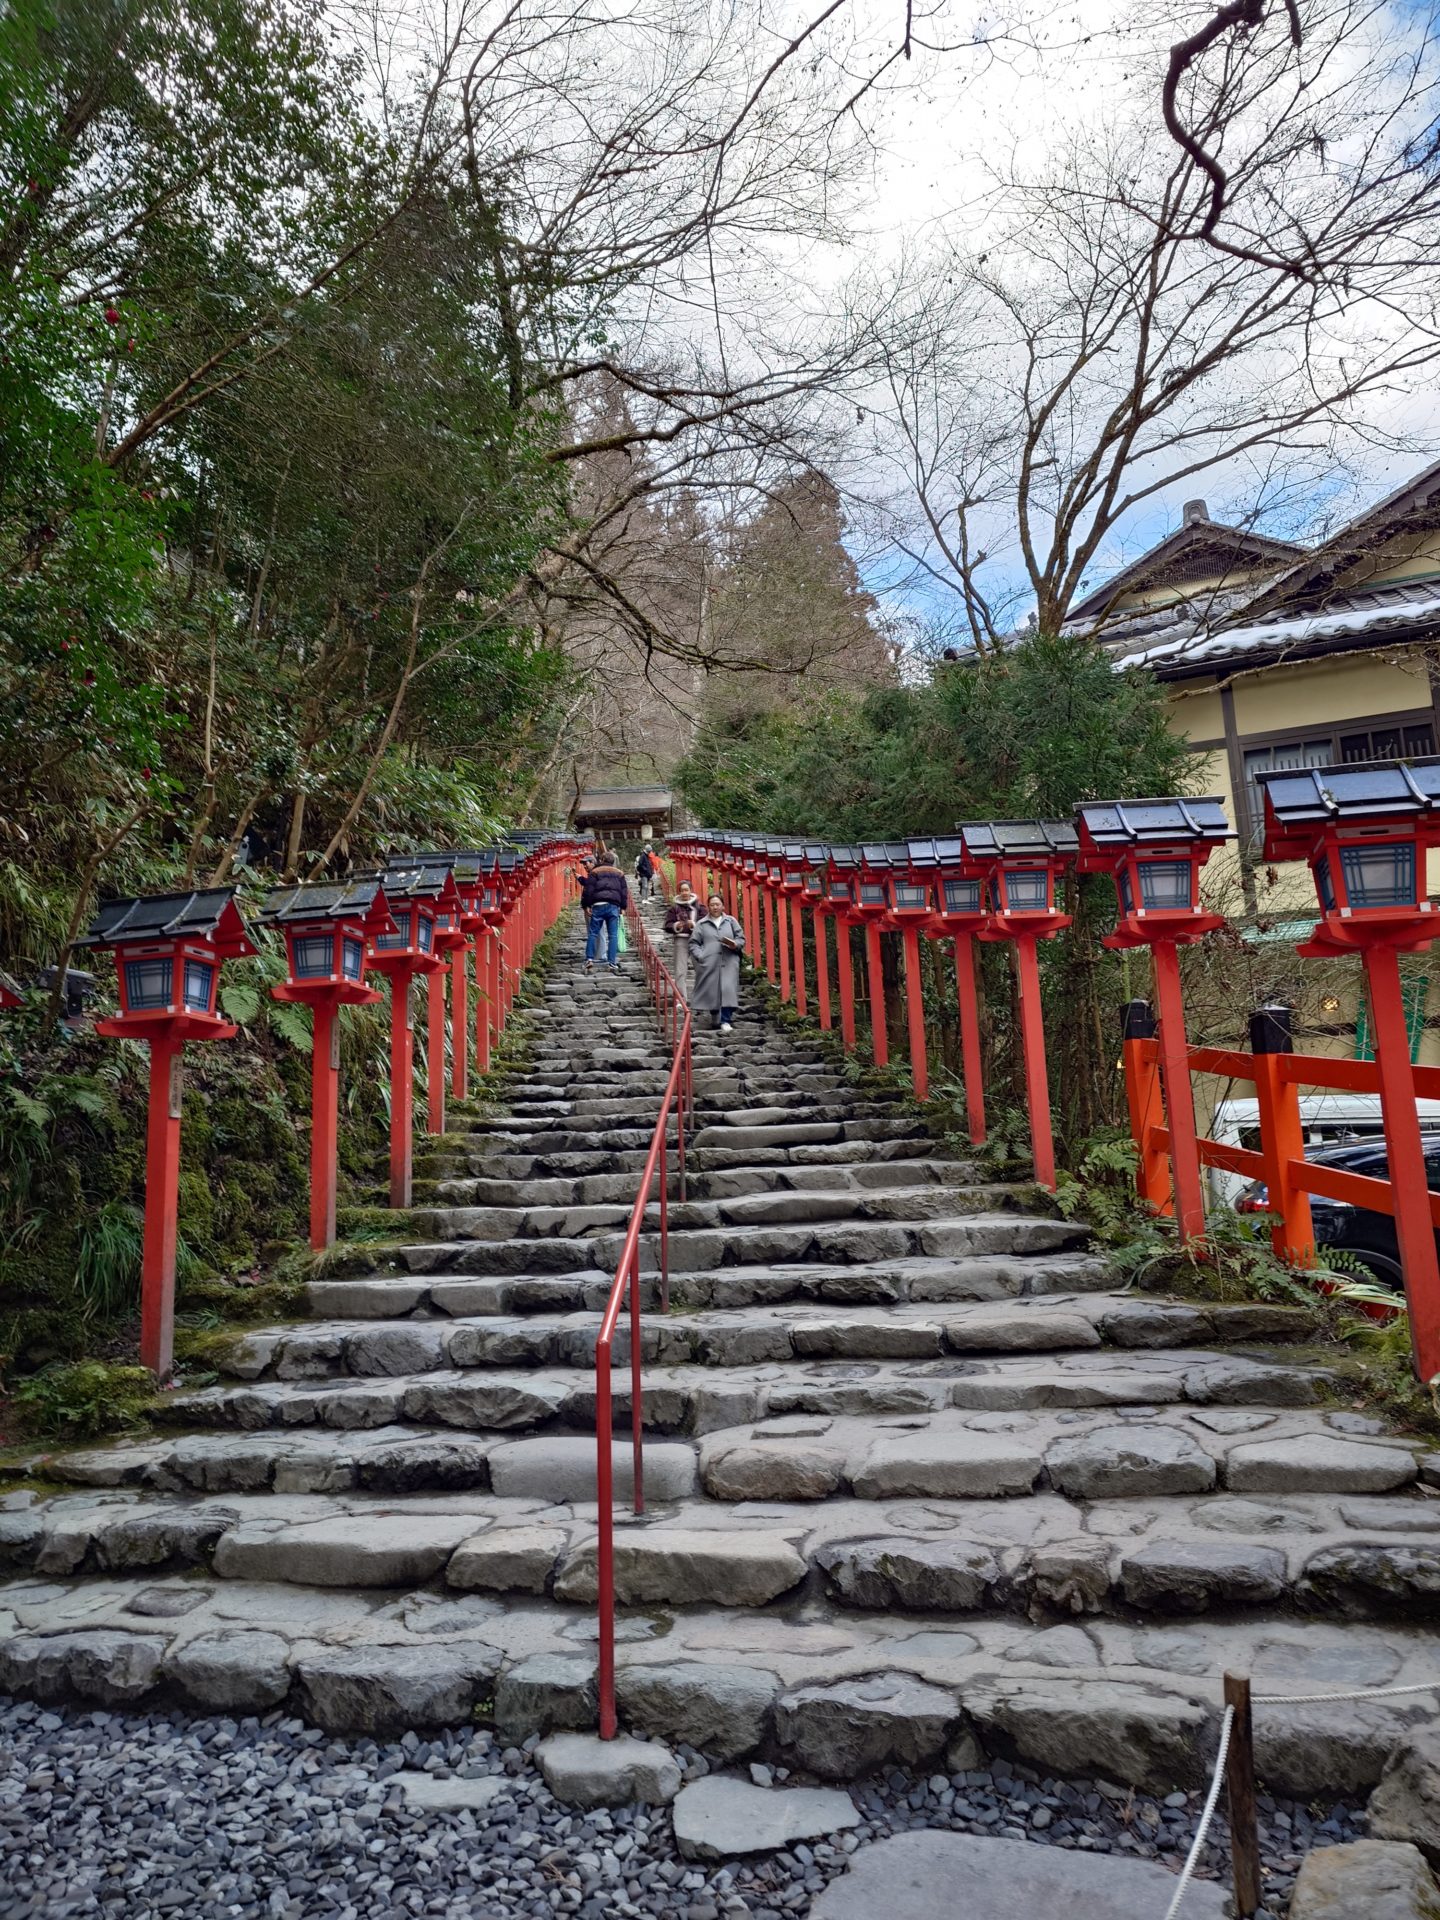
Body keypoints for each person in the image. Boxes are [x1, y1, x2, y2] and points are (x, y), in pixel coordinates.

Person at [689, 892, 745, 1032]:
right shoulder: (702, 924)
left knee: (728, 989)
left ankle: (726, 1020)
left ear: (723, 906)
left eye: (717, 904)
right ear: (708, 906)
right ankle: (715, 1015)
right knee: (712, 990)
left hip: (729, 960)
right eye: (712, 904)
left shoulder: (731, 921)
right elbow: (693, 943)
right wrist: (701, 956)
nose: (715, 907)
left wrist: (735, 944)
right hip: (710, 962)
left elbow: (741, 938)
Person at [580, 854, 629, 973]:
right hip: (613, 906)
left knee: (593, 933)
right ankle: (612, 962)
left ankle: (589, 959)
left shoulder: (595, 872)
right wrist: (623, 907)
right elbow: (624, 891)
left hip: (598, 905)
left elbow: (589, 890)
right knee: (613, 935)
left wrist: (586, 905)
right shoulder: (619, 873)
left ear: (602, 860)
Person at [663, 883, 700, 997]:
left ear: (691, 890)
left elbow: (705, 922)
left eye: (686, 890)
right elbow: (667, 925)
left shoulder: (699, 907)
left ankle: (702, 996)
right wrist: (676, 926)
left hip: (697, 940)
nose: (684, 893)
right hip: (680, 940)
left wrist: (694, 924)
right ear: (679, 892)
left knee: (701, 968)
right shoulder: (674, 909)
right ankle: (681, 998)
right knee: (680, 971)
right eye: (682, 890)